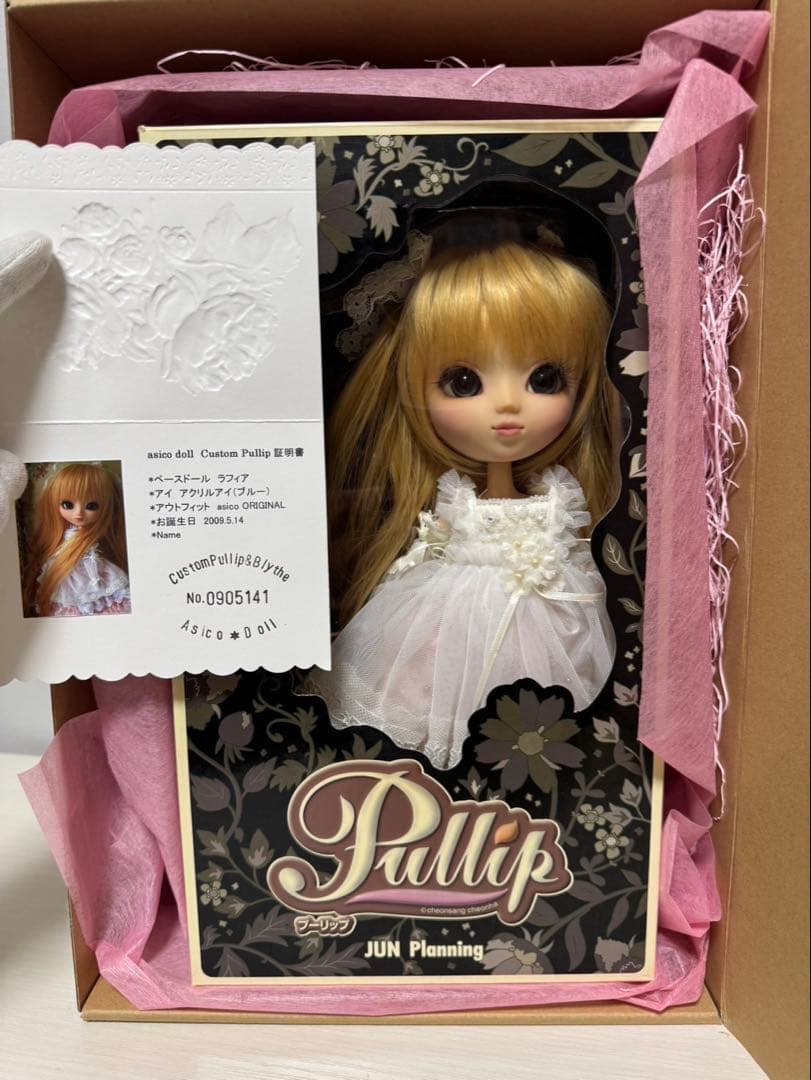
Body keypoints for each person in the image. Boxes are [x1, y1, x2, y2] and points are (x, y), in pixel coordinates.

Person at [302, 220, 617, 768]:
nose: (508, 405)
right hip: (451, 611)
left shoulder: (560, 499)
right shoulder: (455, 499)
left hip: (552, 621)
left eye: (544, 379)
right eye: (464, 383)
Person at [24, 462, 131, 618]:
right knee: (65, 601)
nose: (79, 513)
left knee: (92, 600)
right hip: (68, 578)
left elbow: (91, 563)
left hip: (90, 575)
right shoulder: (65, 536)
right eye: (68, 504)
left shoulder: (88, 539)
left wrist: (93, 577)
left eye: (91, 506)